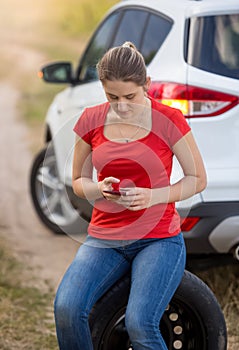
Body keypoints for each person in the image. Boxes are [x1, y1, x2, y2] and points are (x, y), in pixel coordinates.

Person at [54, 41, 207, 350]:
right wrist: (100, 188)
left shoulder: (169, 120)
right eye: (112, 97)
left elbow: (198, 180)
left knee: (140, 322)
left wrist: (153, 196)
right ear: (103, 89)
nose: (121, 106)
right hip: (105, 238)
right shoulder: (90, 120)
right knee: (67, 309)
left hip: (159, 239)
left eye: (130, 96)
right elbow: (78, 181)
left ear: (146, 84)